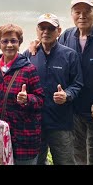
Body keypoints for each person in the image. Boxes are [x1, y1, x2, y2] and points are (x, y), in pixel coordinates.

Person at [30, 0, 93, 164]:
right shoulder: (67, 36)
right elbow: (53, 50)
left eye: (87, 11)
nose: (82, 16)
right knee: (77, 155)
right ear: (72, 14)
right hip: (73, 111)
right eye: (77, 11)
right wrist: (36, 45)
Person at [23, 13, 83, 165]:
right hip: (35, 121)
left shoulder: (70, 55)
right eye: (42, 28)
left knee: (65, 161)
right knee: (37, 161)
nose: (46, 32)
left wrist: (67, 95)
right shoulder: (29, 54)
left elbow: (78, 84)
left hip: (61, 122)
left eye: (50, 28)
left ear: (59, 31)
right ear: (37, 30)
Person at [0, 23, 44, 165]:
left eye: (13, 41)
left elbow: (40, 99)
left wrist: (27, 99)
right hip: (1, 136)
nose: (9, 45)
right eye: (5, 41)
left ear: (19, 43)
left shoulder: (28, 69)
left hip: (25, 138)